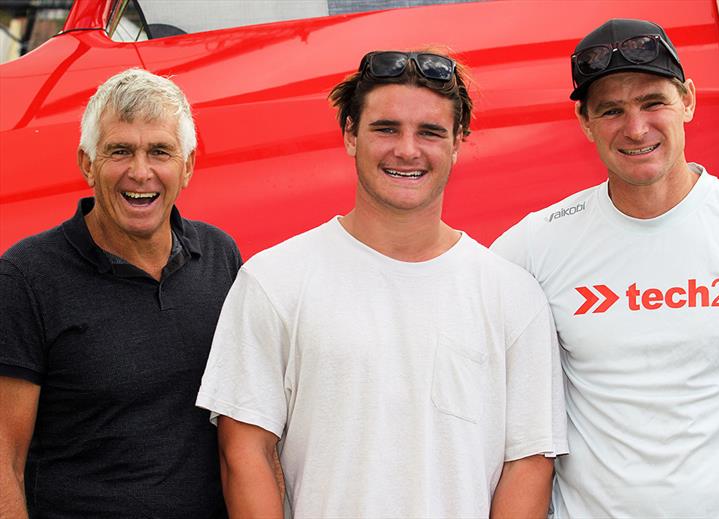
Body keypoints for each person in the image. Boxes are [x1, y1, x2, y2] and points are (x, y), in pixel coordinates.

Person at [196, 50, 568, 518]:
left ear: (458, 142)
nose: (407, 150)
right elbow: (244, 450)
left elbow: (530, 462)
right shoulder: (274, 280)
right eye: (386, 128)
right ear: (351, 134)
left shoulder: (513, 296)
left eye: (430, 132)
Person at [492, 18, 719, 518]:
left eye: (653, 102)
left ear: (688, 101)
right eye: (611, 110)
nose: (635, 128)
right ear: (585, 123)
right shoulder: (539, 241)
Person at [0, 68, 241, 518]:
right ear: (87, 164)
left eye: (160, 151)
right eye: (119, 151)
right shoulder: (26, 277)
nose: (140, 172)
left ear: (187, 166)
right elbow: (3, 459)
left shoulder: (221, 256)